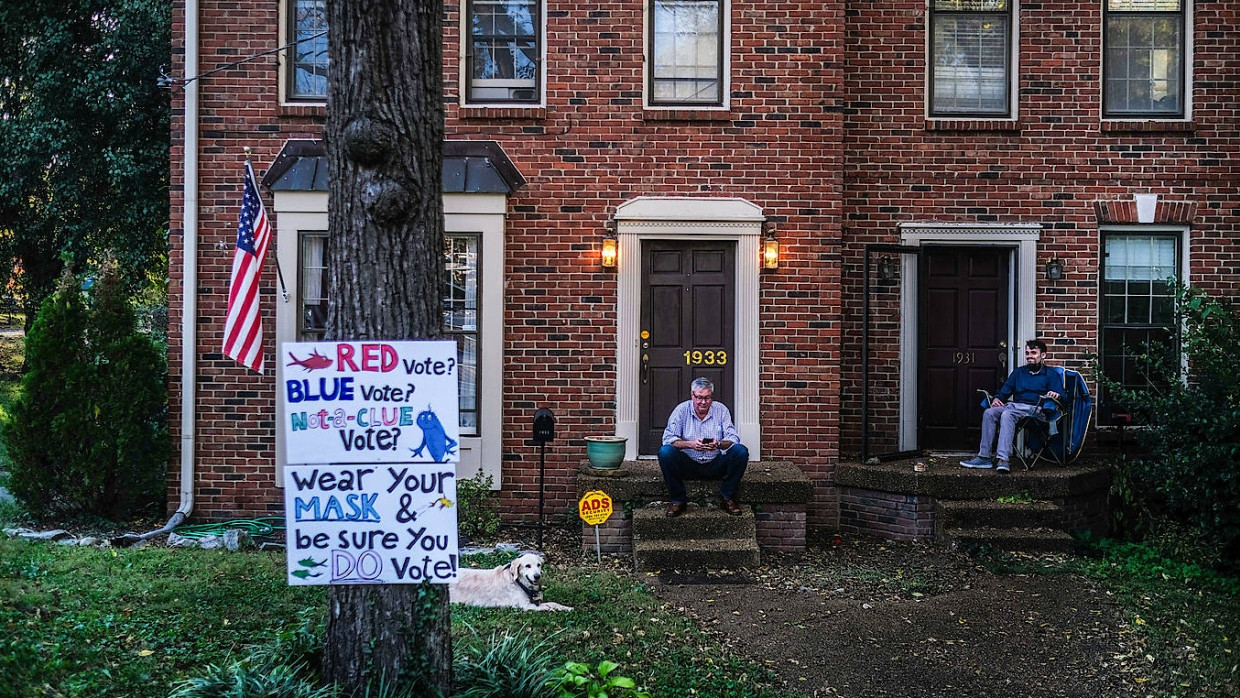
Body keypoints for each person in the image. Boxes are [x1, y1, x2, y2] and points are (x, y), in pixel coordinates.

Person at [961, 339, 1064, 473]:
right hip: (1015, 406)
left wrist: (1056, 395)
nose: (1029, 356)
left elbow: (1063, 397)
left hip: (1036, 409)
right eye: (1027, 353)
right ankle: (984, 457)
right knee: (989, 413)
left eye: (1033, 353)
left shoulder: (1051, 374)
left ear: (1043, 355)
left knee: (1007, 414)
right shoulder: (1019, 372)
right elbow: (1005, 391)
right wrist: (997, 398)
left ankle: (1003, 460)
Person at [658, 377, 749, 517]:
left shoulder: (721, 410)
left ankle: (727, 497)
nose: (703, 402)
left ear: (711, 396)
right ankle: (678, 499)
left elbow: (733, 438)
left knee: (741, 451)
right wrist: (691, 444)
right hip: (688, 464)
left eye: (707, 398)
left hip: (715, 463)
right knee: (665, 452)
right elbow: (668, 439)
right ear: (692, 395)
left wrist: (718, 443)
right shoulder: (681, 410)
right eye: (699, 397)